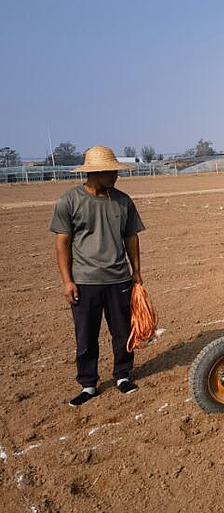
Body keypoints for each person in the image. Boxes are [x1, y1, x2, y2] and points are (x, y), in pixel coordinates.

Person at [49, 146, 145, 406]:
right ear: (96, 172)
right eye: (111, 171)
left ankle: (123, 376)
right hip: (85, 281)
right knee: (86, 335)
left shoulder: (123, 201)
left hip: (119, 279)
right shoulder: (69, 201)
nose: (116, 175)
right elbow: (63, 243)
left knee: (122, 331)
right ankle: (88, 383)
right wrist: (67, 281)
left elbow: (131, 237)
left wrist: (136, 272)